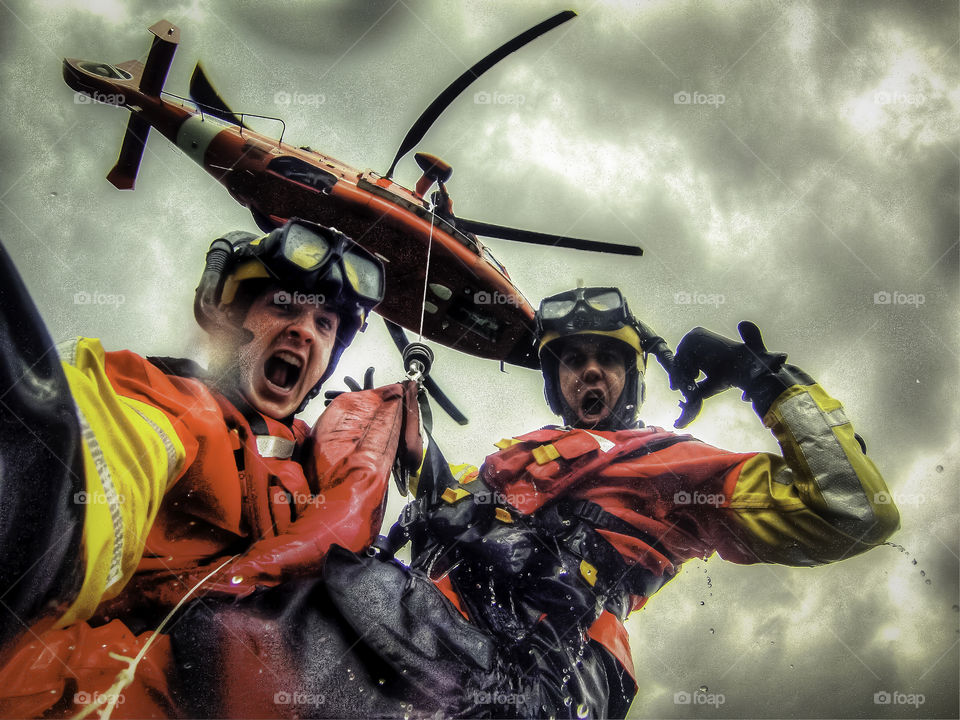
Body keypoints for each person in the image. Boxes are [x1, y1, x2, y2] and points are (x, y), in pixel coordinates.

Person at [156, 286, 900, 720]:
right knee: (211, 641)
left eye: (607, 359)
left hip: (537, 678)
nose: (590, 373)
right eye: (574, 360)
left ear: (630, 378)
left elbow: (851, 512)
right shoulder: (518, 457)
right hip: (409, 628)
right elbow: (451, 504)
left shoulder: (671, 464)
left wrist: (764, 380)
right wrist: (401, 443)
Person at [0, 219, 422, 717]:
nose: (303, 330)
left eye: (325, 323)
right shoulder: (175, 401)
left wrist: (404, 450)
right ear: (230, 315)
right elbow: (115, 445)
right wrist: (33, 505)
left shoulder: (317, 458)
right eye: (283, 304)